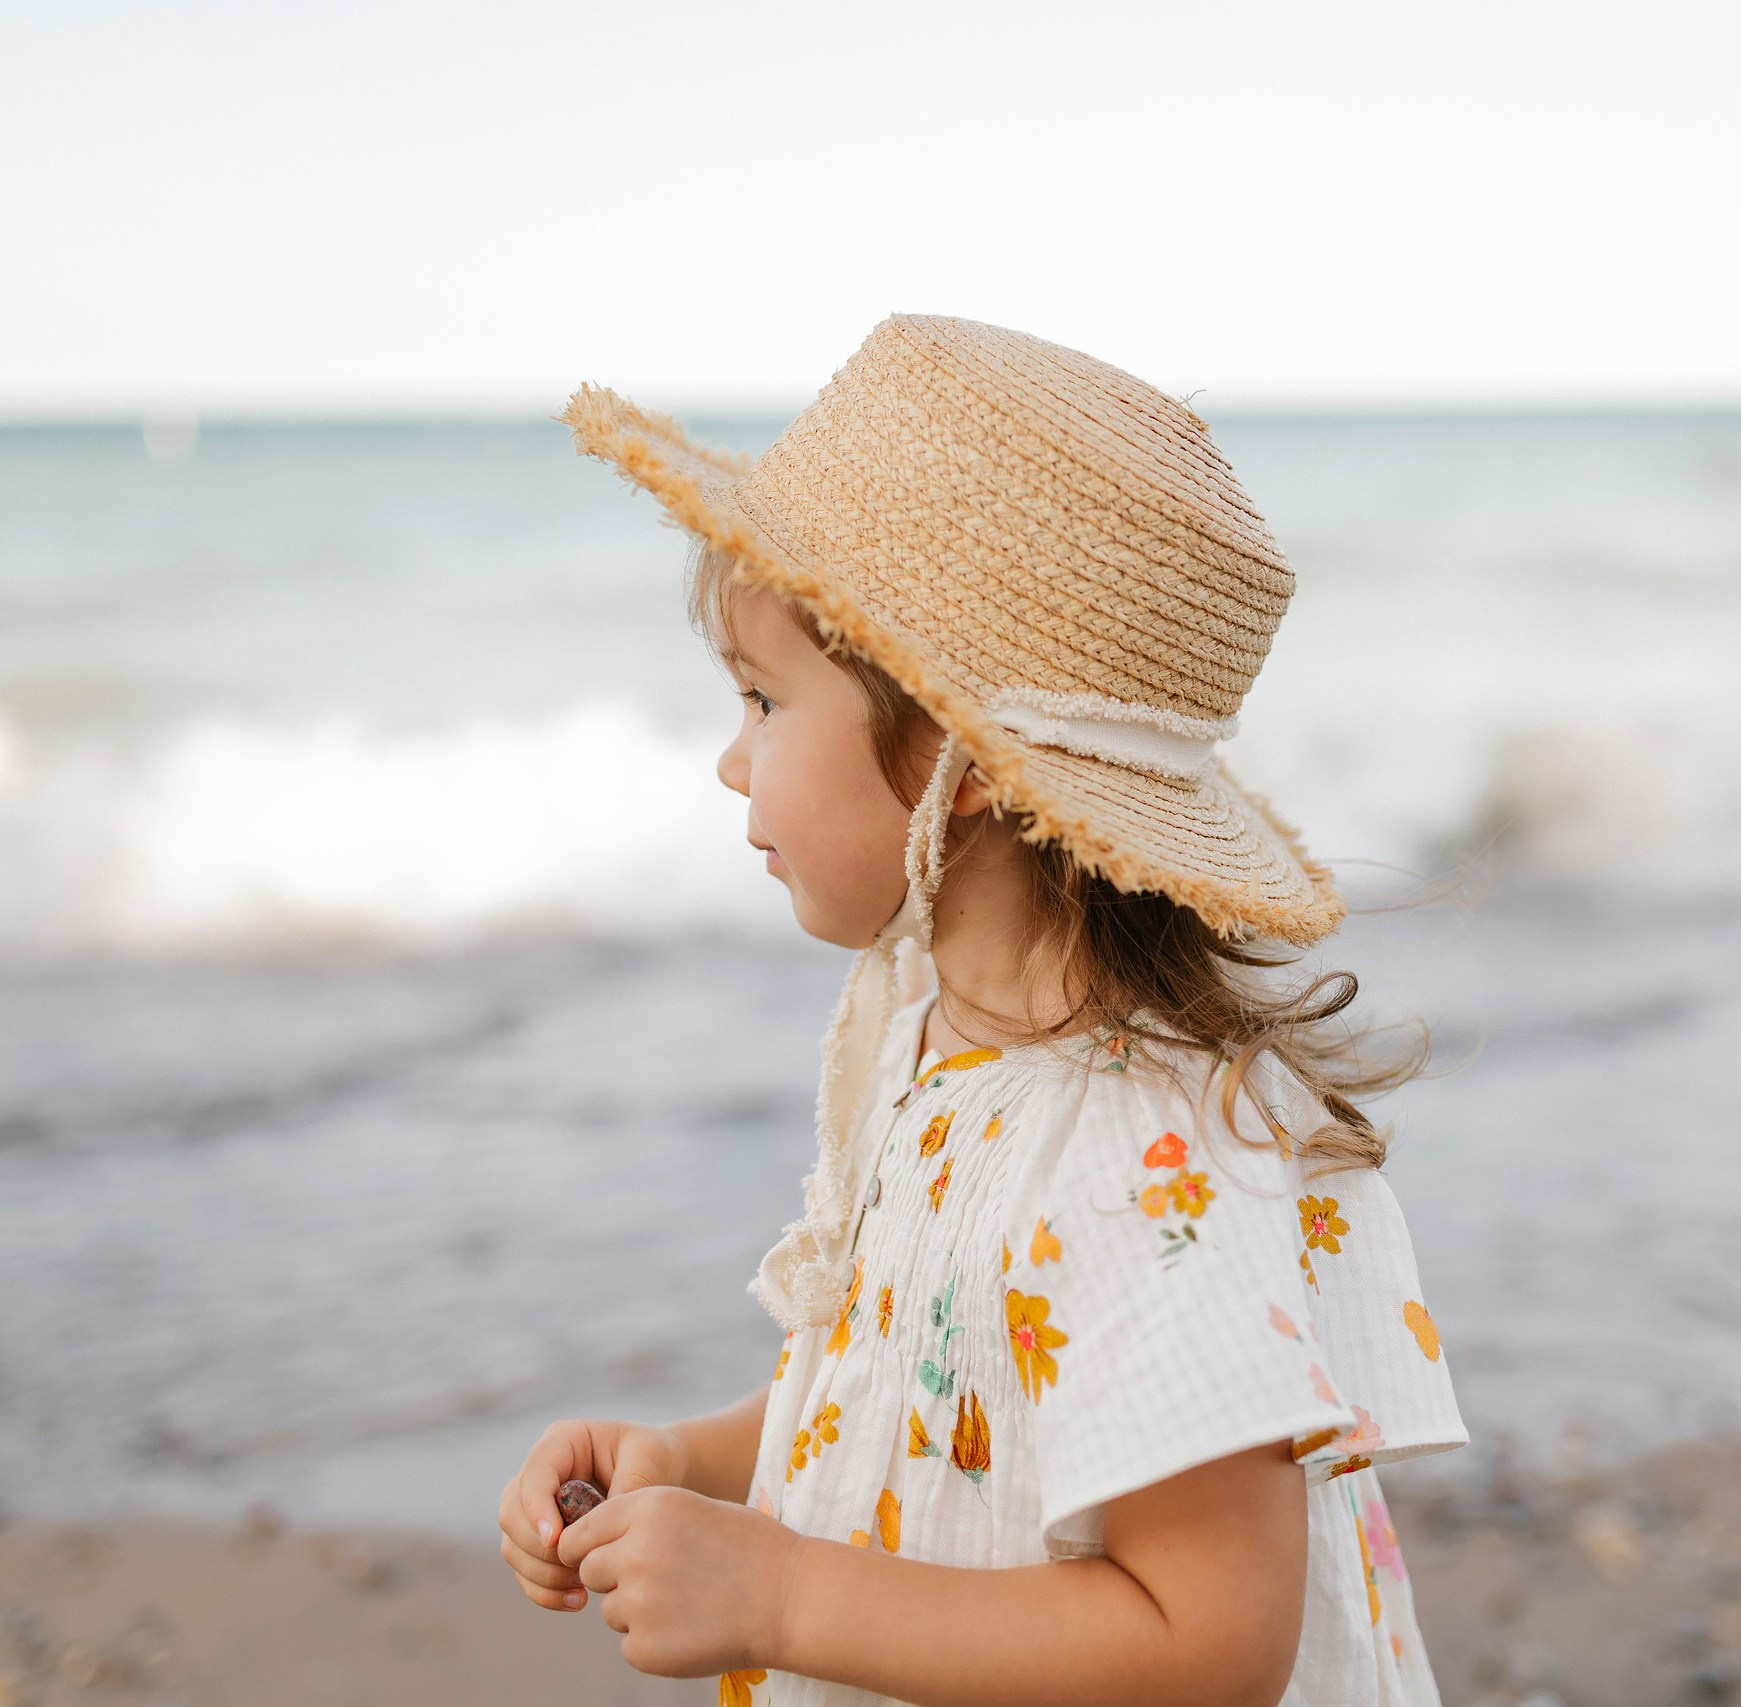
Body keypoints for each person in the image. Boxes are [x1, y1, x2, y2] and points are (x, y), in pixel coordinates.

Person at [498, 315, 1466, 1706]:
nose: (730, 760)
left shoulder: (1145, 1156)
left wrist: (777, 1589)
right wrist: (691, 1460)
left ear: (960, 764)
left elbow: (1211, 1645)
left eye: (766, 701)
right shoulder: (936, 1033)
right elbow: (933, 1388)